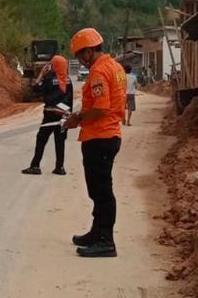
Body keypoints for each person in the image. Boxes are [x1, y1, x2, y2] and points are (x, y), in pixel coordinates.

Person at [63, 28, 125, 258]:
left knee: (101, 191)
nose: (80, 60)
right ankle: (97, 232)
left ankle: (106, 240)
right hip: (107, 135)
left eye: (80, 55)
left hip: (101, 137)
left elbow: (100, 107)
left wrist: (76, 119)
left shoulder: (99, 72)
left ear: (89, 52)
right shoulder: (115, 66)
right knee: (98, 189)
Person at [22, 55, 73, 175]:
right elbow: (69, 100)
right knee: (60, 142)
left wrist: (41, 75)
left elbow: (35, 90)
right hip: (64, 116)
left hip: (50, 115)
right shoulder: (69, 80)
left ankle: (35, 166)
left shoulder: (49, 78)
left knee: (41, 139)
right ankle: (60, 167)